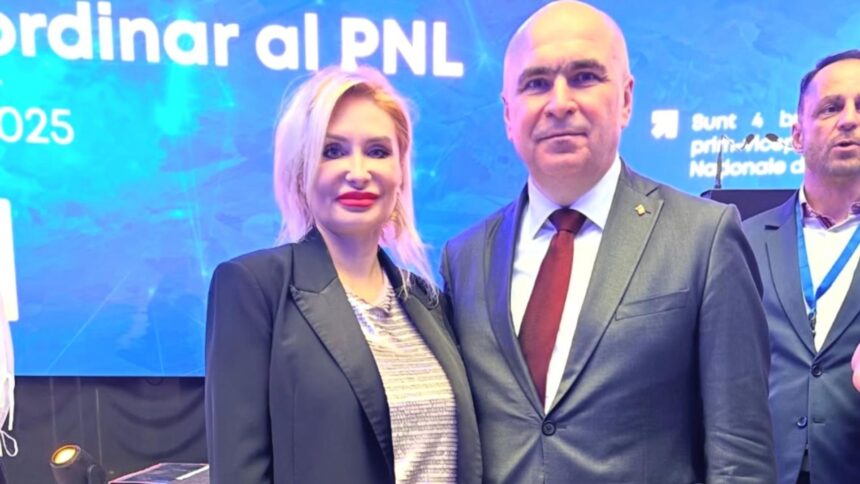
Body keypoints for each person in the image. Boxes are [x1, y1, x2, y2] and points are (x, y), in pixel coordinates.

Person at [440, 1, 776, 482]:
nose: (559, 103)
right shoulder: (465, 257)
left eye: (584, 77)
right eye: (536, 83)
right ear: (509, 114)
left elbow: (740, 457)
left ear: (626, 99)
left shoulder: (704, 237)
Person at [205, 65, 481, 484]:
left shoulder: (428, 301)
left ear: (400, 171)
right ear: (301, 169)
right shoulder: (252, 288)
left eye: (378, 151)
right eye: (332, 150)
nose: (358, 172)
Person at [744, 49, 860, 484]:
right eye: (831, 108)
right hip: (762, 470)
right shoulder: (741, 241)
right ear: (797, 135)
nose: (848, 120)